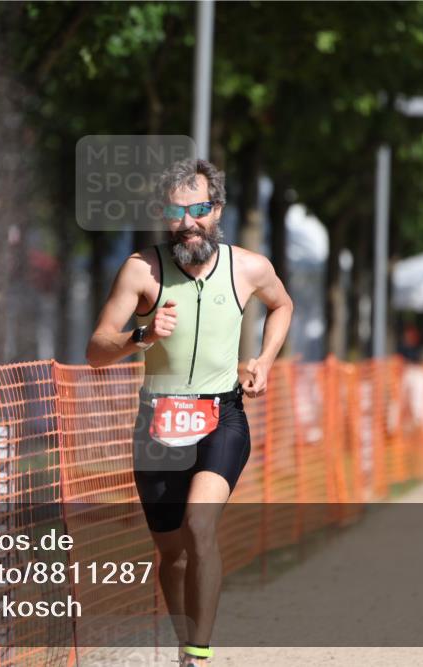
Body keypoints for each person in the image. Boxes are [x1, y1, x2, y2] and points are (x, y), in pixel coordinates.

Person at [86, 158, 293, 666]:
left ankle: (197, 655)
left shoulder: (249, 267)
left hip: (223, 415)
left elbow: (282, 305)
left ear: (216, 209)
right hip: (158, 421)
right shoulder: (141, 270)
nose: (187, 222)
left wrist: (263, 362)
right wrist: (142, 335)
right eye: (176, 212)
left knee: (200, 526)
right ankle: (184, 645)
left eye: (198, 209)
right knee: (172, 554)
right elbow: (95, 350)